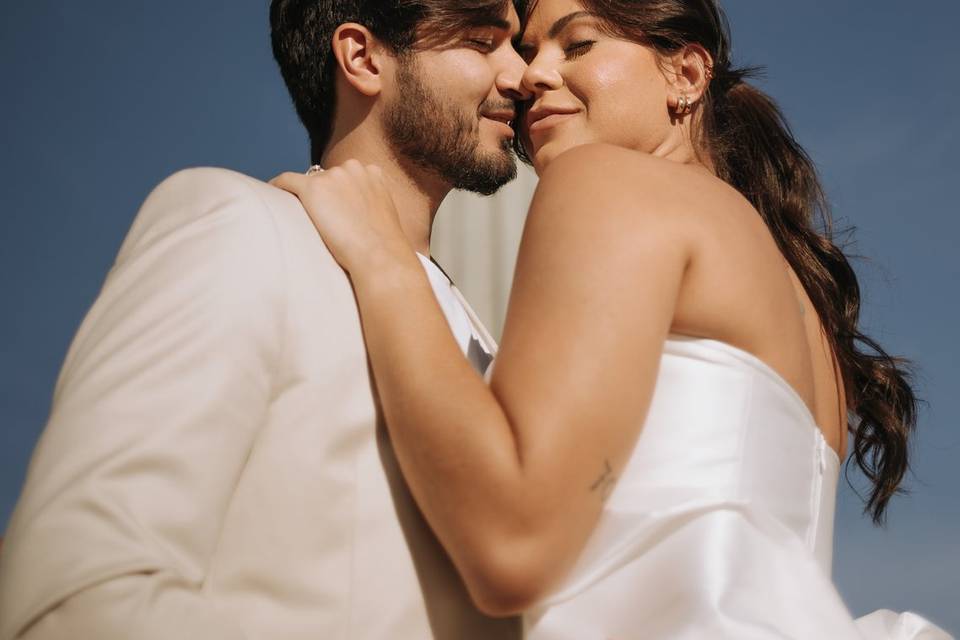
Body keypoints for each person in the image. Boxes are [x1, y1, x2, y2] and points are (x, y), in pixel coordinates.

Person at [273, 0, 953, 638]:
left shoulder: (609, 182)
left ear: (685, 74)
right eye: (526, 47)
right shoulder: (791, 291)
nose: (530, 75)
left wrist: (384, 259)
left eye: (579, 42)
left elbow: (515, 542)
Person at [0, 1, 530, 639]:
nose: (520, 74)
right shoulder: (241, 225)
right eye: (481, 41)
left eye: (516, 46)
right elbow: (76, 587)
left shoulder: (494, 345)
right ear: (363, 57)